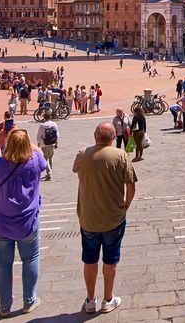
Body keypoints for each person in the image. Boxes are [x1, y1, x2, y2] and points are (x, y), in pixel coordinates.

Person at [0, 128, 48, 317]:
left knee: (2, 265)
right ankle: (29, 300)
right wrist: (24, 140)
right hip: (27, 221)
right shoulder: (34, 162)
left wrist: (1, 141)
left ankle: (4, 305)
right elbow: (40, 152)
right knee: (30, 259)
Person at [73, 122, 137, 314]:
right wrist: (126, 204)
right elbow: (131, 185)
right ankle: (108, 298)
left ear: (95, 136)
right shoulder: (121, 155)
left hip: (88, 218)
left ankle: (90, 300)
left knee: (89, 260)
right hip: (113, 218)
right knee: (110, 261)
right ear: (112, 138)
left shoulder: (82, 154)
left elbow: (76, 169)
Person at [36, 115, 59, 181]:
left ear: (44, 117)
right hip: (52, 143)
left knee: (45, 159)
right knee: (50, 158)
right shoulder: (54, 124)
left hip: (44, 144)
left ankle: (49, 173)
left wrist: (38, 143)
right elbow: (57, 134)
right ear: (50, 117)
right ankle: (49, 172)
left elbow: (39, 135)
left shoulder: (42, 125)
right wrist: (56, 143)